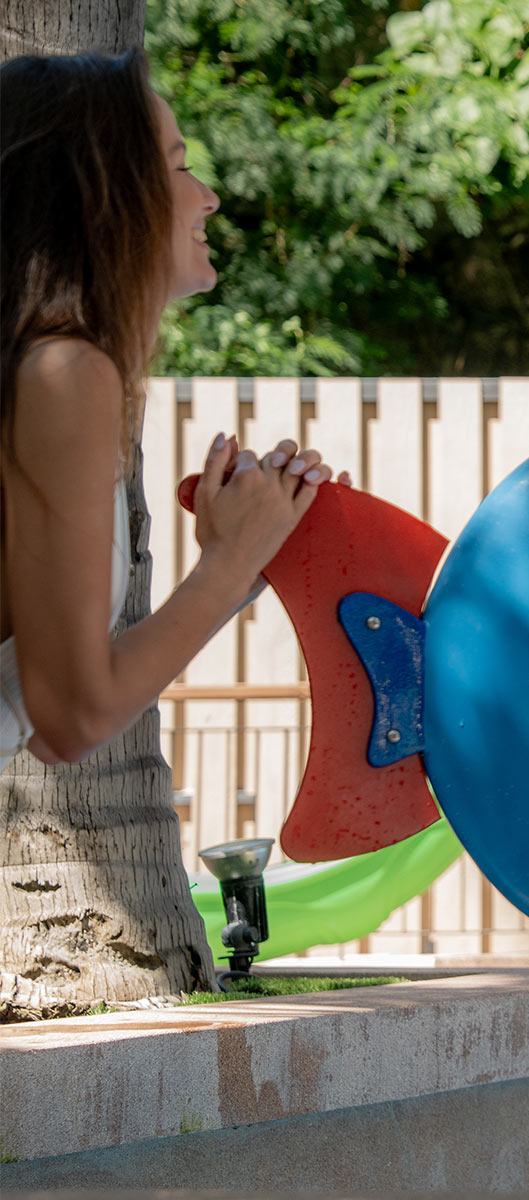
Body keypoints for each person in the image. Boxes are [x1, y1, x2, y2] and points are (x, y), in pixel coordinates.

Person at [1, 50, 342, 765]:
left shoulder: (42, 365)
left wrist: (235, 569)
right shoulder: (66, 372)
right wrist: (229, 559)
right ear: (105, 193)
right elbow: (70, 718)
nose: (208, 196)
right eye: (180, 167)